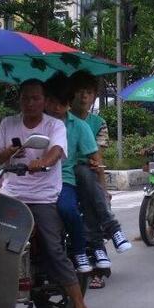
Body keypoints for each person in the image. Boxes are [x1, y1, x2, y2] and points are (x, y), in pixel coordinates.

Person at [0, 79, 94, 308]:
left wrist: (43, 161)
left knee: (52, 248)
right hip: (10, 191)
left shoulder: (54, 125)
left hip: (42, 196)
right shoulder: (8, 123)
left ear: (44, 100)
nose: (30, 103)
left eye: (35, 98)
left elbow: (57, 151)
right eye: (25, 98)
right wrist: (8, 153)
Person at [68, 71, 132, 277]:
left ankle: (97, 249)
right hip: (66, 172)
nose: (84, 97)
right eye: (79, 92)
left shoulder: (98, 123)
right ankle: (110, 233)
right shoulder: (61, 119)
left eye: (88, 92)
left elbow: (96, 158)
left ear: (94, 96)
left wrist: (104, 190)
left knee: (89, 185)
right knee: (84, 175)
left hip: (89, 173)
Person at [44, 75, 99, 274]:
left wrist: (101, 192)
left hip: (64, 179)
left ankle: (80, 250)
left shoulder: (79, 126)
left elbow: (95, 160)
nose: (55, 107)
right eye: (50, 101)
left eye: (61, 103)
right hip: (27, 182)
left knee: (68, 210)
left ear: (68, 103)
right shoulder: (27, 122)